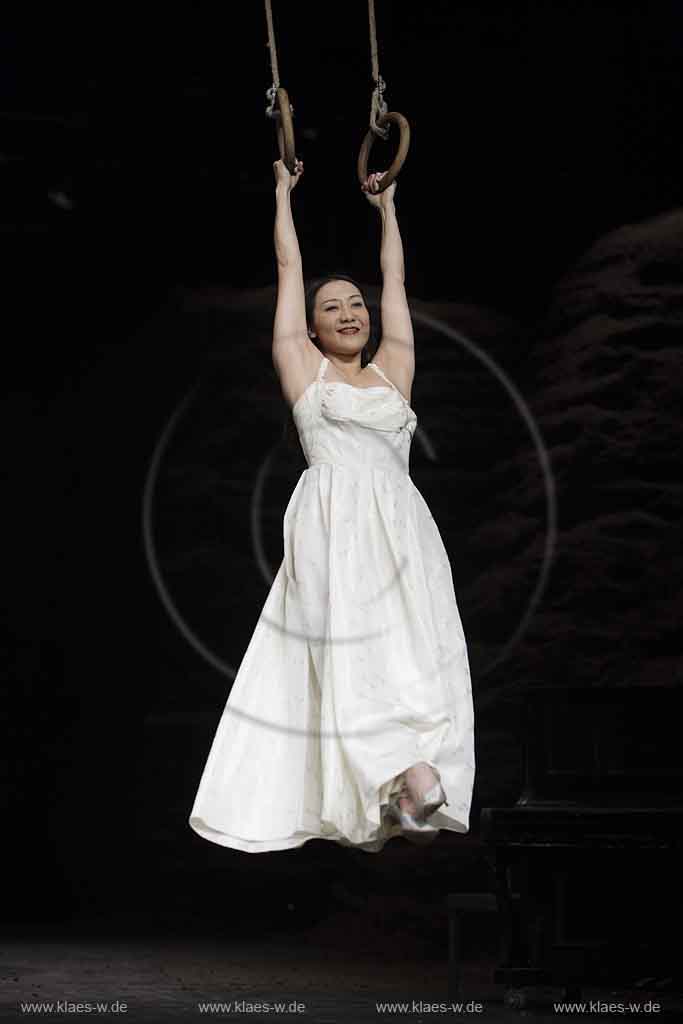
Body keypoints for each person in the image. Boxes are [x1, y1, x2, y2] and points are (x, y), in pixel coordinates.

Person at [188, 158, 475, 853]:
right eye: (331, 308)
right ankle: (398, 773)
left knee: (420, 655)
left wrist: (387, 211)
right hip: (330, 522)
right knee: (351, 654)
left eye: (354, 304)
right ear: (312, 330)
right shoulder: (302, 370)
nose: (348, 313)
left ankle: (412, 780)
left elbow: (397, 281)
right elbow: (289, 268)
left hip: (404, 529)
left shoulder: (393, 370)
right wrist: (283, 192)